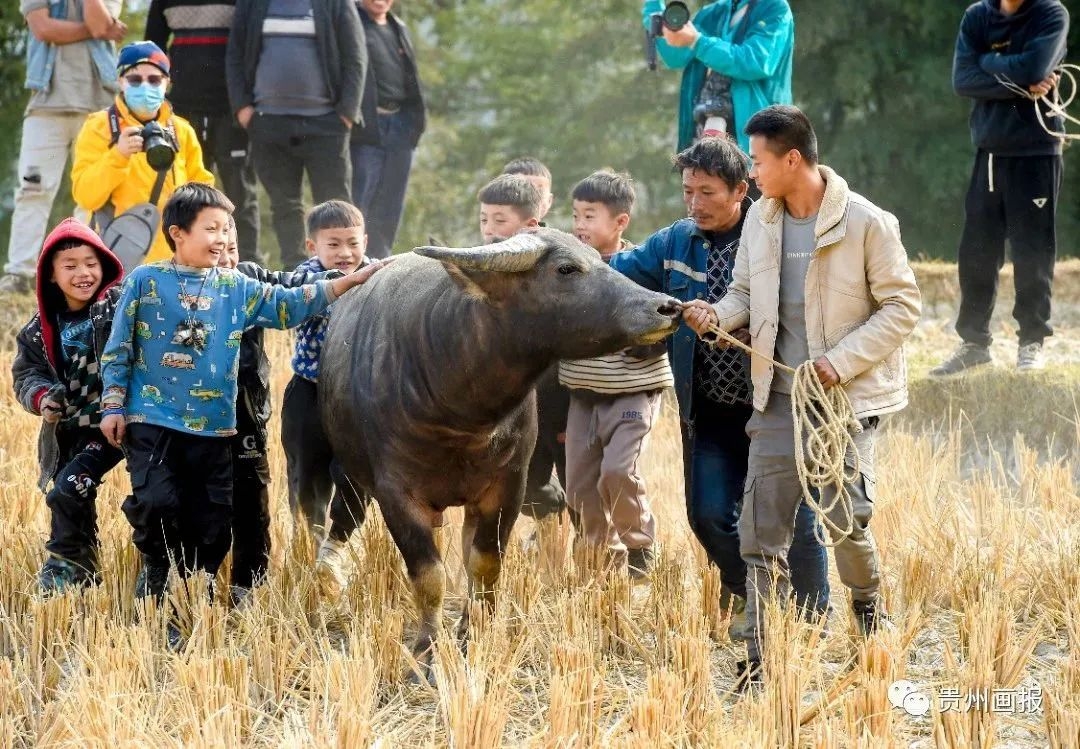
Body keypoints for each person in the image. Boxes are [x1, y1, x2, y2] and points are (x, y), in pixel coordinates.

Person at [683, 106, 921, 688]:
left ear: (792, 159)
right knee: (759, 536)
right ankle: (763, 659)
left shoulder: (866, 222)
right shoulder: (760, 223)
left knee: (844, 521)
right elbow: (742, 293)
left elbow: (903, 307)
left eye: (758, 161)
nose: (752, 172)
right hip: (774, 399)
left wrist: (838, 365)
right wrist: (717, 314)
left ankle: (870, 620)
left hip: (839, 403)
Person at [98, 183, 382, 624]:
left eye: (227, 229)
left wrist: (352, 280)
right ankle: (156, 573)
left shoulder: (236, 287)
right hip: (152, 418)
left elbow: (290, 304)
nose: (222, 238)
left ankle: (195, 599)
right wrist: (113, 404)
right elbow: (118, 348)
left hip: (215, 425)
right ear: (177, 233)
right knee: (156, 502)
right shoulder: (145, 281)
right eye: (211, 229)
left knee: (211, 521)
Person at [609, 136, 828, 631]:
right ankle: (745, 588)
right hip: (707, 408)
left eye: (707, 192)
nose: (695, 203)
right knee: (707, 514)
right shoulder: (673, 243)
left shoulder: (775, 234)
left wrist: (752, 332)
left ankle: (815, 621)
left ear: (740, 190)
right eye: (688, 191)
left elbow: (807, 309)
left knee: (795, 516)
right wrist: (572, 261)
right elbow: (619, 273)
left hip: (771, 403)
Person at [931, 0, 1069, 376]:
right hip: (989, 150)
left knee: (1032, 253)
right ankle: (974, 343)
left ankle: (1032, 342)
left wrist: (987, 64)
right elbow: (962, 80)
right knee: (976, 251)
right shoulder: (977, 16)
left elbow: (1036, 67)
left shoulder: (1051, 14)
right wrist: (1018, 78)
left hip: (1036, 149)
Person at [214, 220, 343, 605]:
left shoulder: (249, 278)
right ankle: (193, 580)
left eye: (233, 249)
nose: (226, 259)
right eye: (217, 248)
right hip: (189, 415)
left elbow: (292, 286)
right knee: (201, 499)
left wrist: (339, 279)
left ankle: (249, 583)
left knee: (252, 498)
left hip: (245, 410)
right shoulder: (169, 289)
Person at [560, 171, 673, 578]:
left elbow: (665, 317)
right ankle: (599, 559)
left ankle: (640, 543)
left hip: (632, 389)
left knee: (617, 471)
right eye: (576, 216)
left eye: (590, 216)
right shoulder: (567, 269)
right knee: (578, 483)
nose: (579, 226)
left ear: (620, 222)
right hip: (582, 391)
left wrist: (647, 341)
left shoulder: (640, 267)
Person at [12, 219, 126, 594]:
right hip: (68, 428)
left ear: (105, 265)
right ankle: (81, 560)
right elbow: (26, 376)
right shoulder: (36, 331)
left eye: (91, 263)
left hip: (111, 423)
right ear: (50, 276)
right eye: (71, 265)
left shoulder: (118, 310)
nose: (83, 273)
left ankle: (65, 560)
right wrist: (43, 398)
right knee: (65, 492)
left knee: (69, 488)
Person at [227, 0, 366, 269]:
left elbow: (355, 55)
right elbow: (235, 54)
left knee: (336, 201)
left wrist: (346, 113)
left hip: (326, 123)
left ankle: (345, 274)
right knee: (284, 205)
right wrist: (243, 109)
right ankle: (298, 273)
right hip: (269, 123)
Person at [0, 0, 126, 294]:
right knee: (33, 189)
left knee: (92, 196)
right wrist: (99, 32)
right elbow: (43, 28)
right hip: (46, 107)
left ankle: (86, 272)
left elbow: (98, 23)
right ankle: (20, 273)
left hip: (96, 108)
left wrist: (95, 28)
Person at [281, 200, 372, 593]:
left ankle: (337, 544)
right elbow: (300, 309)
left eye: (352, 243)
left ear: (365, 241)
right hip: (310, 390)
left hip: (358, 395)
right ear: (311, 246)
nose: (345, 253)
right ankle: (312, 546)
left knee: (356, 474)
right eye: (333, 244)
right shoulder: (304, 280)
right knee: (306, 475)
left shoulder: (380, 274)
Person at [71, 41, 215, 266]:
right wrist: (118, 155)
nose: (145, 86)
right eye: (135, 80)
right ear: (121, 82)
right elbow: (85, 196)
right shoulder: (98, 126)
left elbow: (204, 193)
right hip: (117, 262)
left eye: (154, 80)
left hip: (175, 263)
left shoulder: (182, 130)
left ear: (167, 83)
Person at [146, 0, 262, 263]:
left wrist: (246, 100)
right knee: (186, 194)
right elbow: (153, 50)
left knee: (241, 192)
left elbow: (251, 45)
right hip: (182, 109)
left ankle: (247, 265)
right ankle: (187, 260)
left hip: (230, 107)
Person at [642, 0, 794, 154]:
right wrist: (654, 10)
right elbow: (675, 56)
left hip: (758, 144)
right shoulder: (712, 13)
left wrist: (697, 41)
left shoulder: (775, 8)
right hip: (703, 136)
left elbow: (755, 61)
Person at [351, 0, 426, 259]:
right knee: (359, 203)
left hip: (401, 125)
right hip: (366, 126)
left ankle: (380, 264)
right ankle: (353, 267)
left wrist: (415, 124)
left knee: (390, 207)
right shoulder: (351, 23)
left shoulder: (398, 27)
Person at [502, 157, 554, 222]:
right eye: (523, 189)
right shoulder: (492, 231)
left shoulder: (550, 232)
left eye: (539, 191)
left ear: (549, 201)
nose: (532, 196)